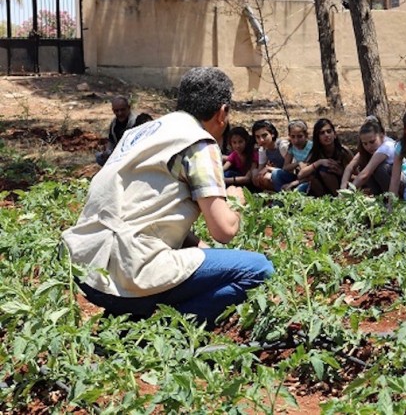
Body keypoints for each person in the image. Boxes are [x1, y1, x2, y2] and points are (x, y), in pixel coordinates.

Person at [62, 67, 274, 329]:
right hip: (131, 273)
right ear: (222, 112)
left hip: (87, 271)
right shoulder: (198, 142)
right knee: (258, 269)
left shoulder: (140, 134)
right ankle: (170, 331)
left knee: (202, 260)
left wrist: (198, 246)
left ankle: (125, 325)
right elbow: (224, 230)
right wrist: (234, 202)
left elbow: (140, 209)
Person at [341, 116, 403, 195]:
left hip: (403, 183)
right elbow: (350, 167)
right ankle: (379, 198)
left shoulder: (386, 146)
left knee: (379, 169)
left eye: (372, 142)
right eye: (365, 143)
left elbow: (365, 175)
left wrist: (348, 193)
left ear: (382, 135)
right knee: (366, 164)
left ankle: (391, 200)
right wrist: (342, 188)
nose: (369, 147)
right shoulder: (368, 150)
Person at [297, 118, 353, 197]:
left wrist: (342, 172)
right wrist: (319, 162)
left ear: (335, 134)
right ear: (318, 137)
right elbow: (301, 175)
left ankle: (339, 201)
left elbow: (357, 176)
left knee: (325, 171)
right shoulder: (315, 153)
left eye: (329, 131)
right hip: (320, 192)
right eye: (322, 133)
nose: (326, 135)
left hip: (342, 189)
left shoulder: (344, 152)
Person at [95, 95, 138, 166]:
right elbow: (111, 141)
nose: (120, 113)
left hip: (132, 155)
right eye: (116, 111)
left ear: (129, 108)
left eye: (122, 110)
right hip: (118, 154)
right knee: (99, 157)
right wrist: (107, 151)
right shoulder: (114, 123)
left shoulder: (136, 121)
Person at [251, 120, 290, 192]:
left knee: (267, 177)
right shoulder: (263, 149)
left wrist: (269, 168)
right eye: (257, 137)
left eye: (264, 135)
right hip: (276, 173)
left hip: (288, 176)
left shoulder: (282, 146)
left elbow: (290, 169)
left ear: (272, 134)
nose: (261, 140)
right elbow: (260, 170)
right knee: (255, 173)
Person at [275, 120, 313, 191]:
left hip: (307, 180)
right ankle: (281, 194)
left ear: (306, 135)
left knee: (298, 190)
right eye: (293, 137)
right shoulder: (292, 147)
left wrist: (294, 183)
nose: (296, 140)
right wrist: (298, 163)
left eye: (300, 136)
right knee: (275, 174)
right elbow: (285, 167)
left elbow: (312, 174)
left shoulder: (311, 148)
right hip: (297, 177)